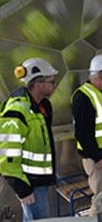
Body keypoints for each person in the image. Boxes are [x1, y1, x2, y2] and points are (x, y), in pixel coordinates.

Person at [0, 58, 58, 221]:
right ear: (38, 84)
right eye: (51, 81)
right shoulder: (17, 111)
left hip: (40, 181)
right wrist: (22, 189)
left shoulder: (42, 107)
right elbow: (6, 156)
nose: (54, 85)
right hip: (29, 184)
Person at [71, 54, 102, 217]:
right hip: (99, 158)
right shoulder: (83, 97)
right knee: (101, 200)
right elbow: (82, 133)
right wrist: (97, 157)